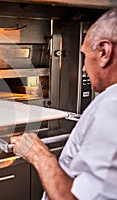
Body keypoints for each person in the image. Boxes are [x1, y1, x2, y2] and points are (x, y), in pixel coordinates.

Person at [10, 7, 117, 200]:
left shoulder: (111, 106)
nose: (83, 68)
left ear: (104, 51)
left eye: (85, 56)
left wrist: (38, 154)